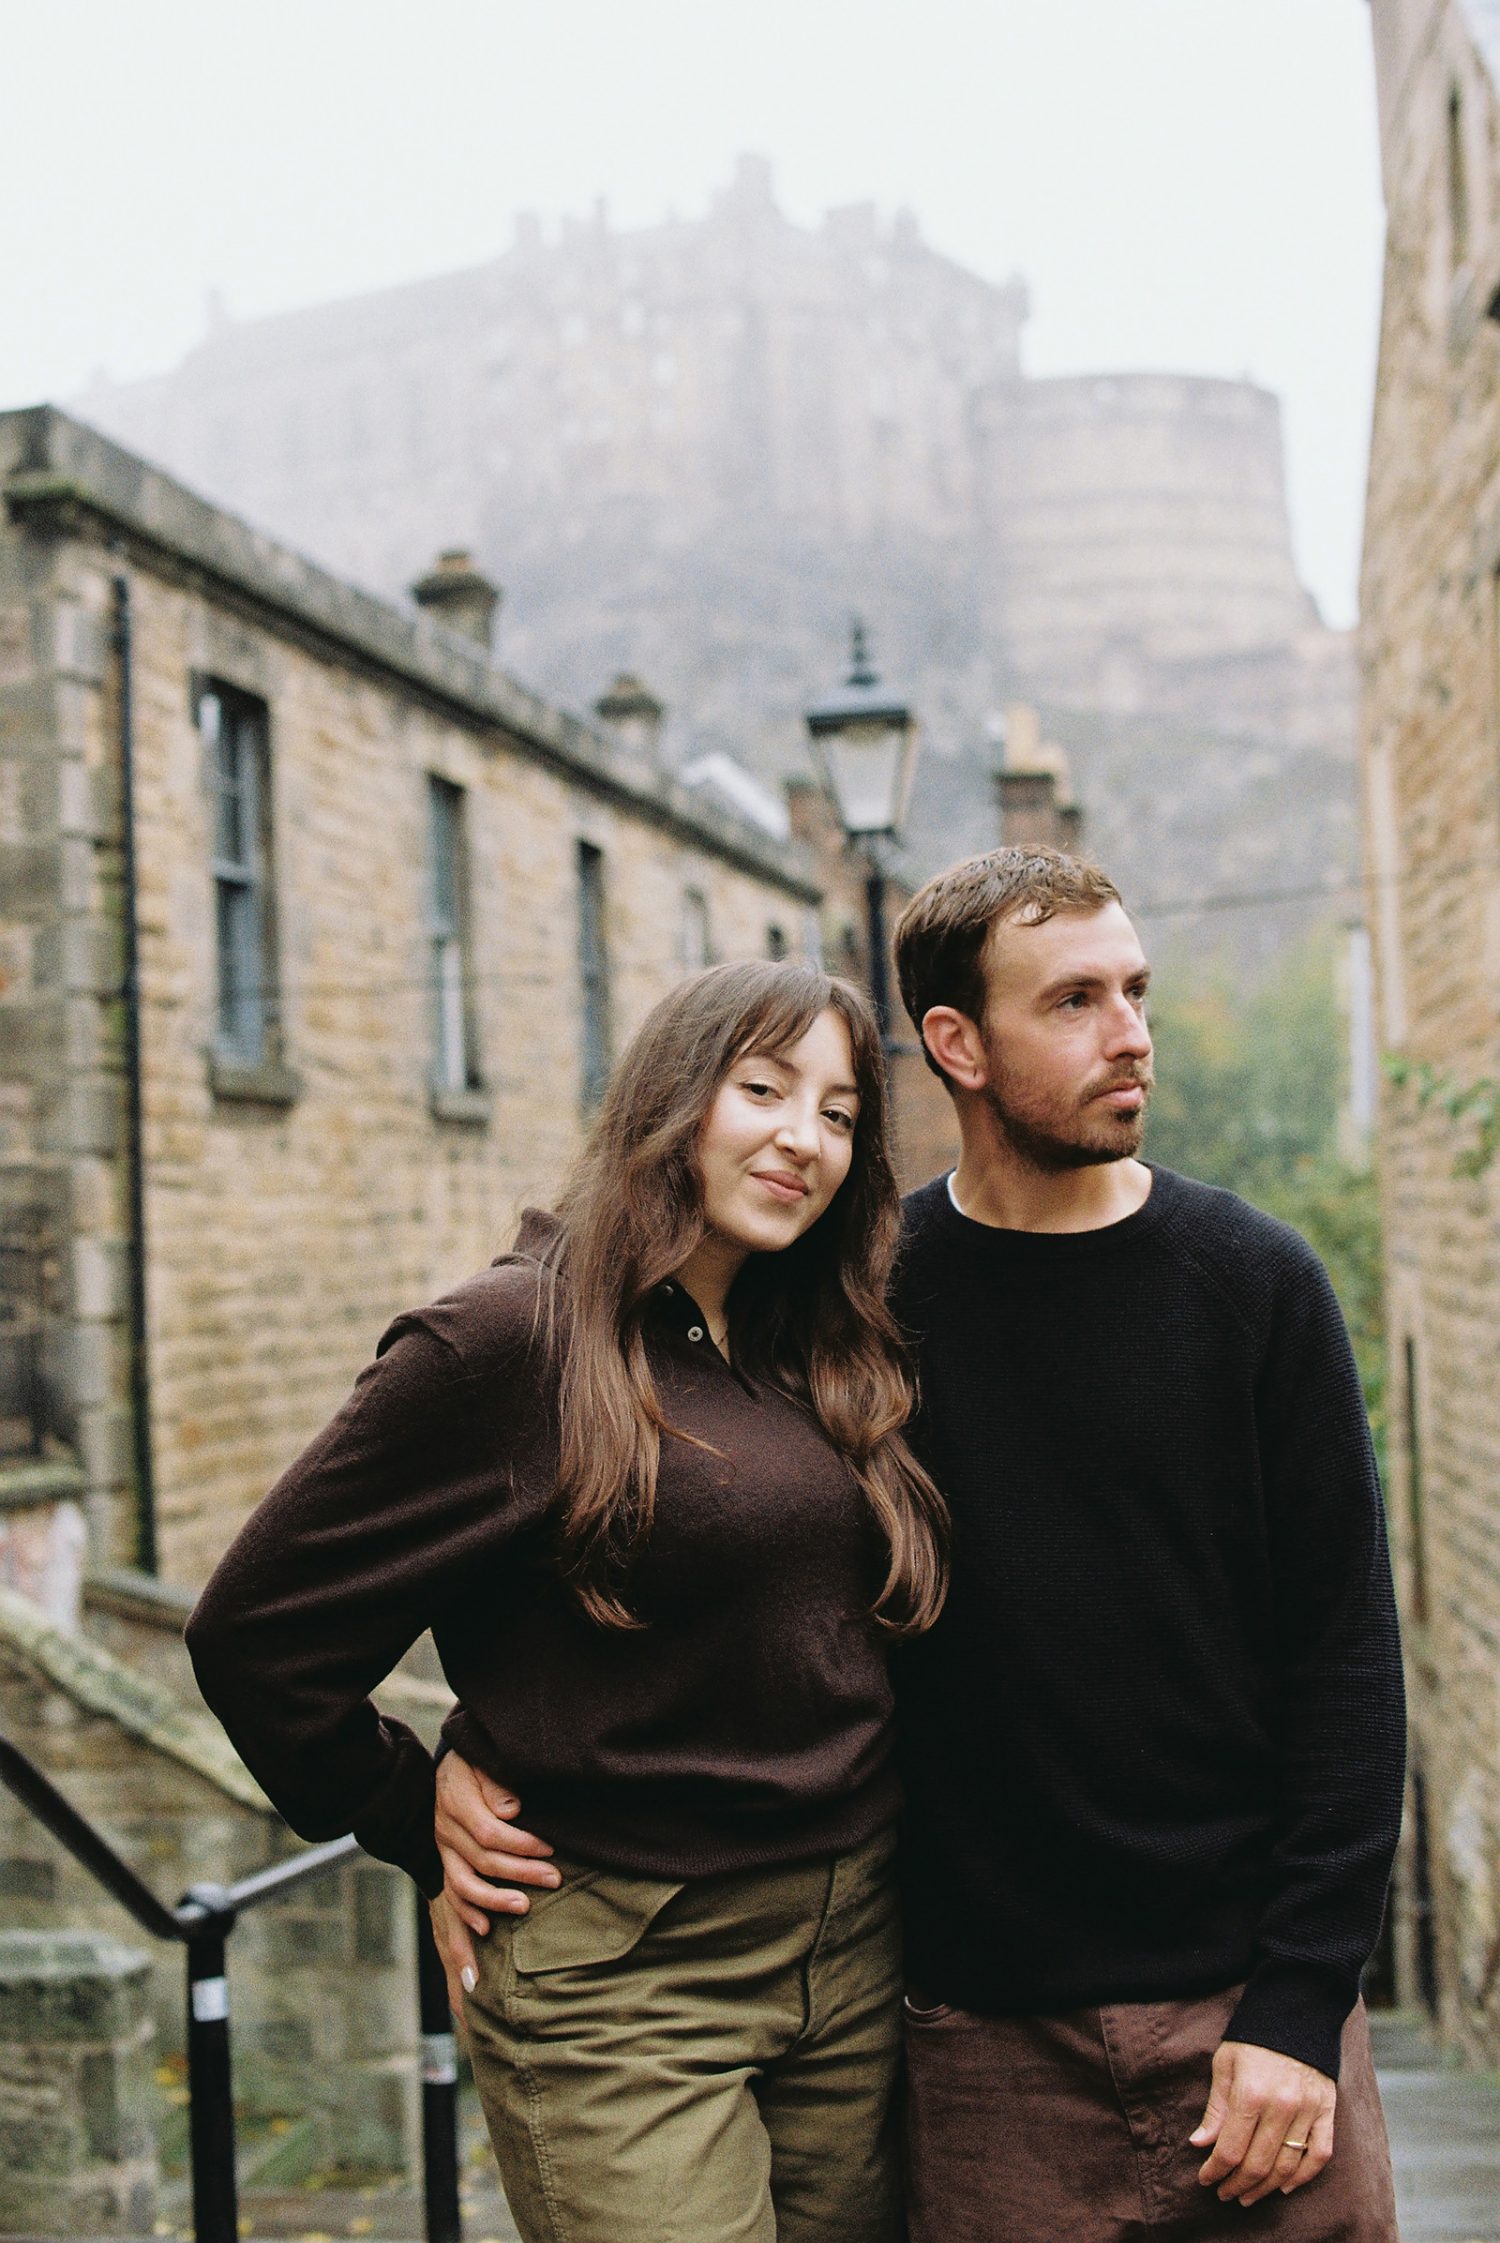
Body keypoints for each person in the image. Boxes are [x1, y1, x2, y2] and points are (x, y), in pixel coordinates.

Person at [434, 848, 1407, 2241]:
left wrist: (1304, 1999)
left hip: (1251, 2019)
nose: (1130, 1031)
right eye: (1074, 999)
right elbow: (703, 1540)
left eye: (1136, 989)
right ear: (955, 1042)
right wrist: (464, 1756)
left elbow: (1350, 1672)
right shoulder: (848, 1306)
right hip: (975, 2042)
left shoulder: (1259, 1285)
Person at [185, 958, 949, 2243]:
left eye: (837, 1112)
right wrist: (407, 1807)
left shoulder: (818, 1333)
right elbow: (257, 1635)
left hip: (858, 1937)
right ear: (673, 1098)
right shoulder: (504, 1343)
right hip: (627, 1971)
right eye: (761, 1087)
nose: (802, 1137)